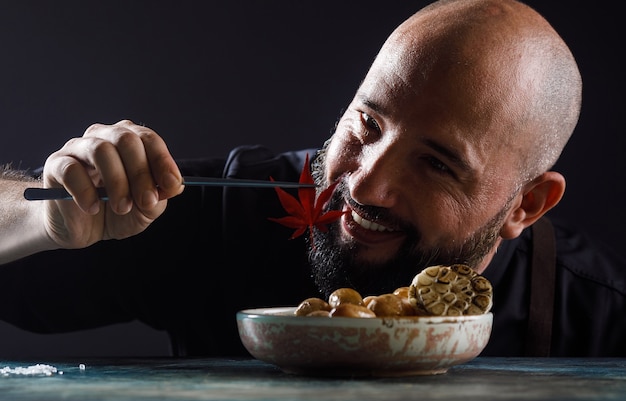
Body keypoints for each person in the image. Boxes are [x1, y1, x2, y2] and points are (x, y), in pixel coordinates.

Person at [0, 0, 624, 357]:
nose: (363, 186)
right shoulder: (228, 213)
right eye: (368, 125)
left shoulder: (594, 316)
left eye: (436, 163)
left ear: (528, 204)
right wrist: (43, 220)